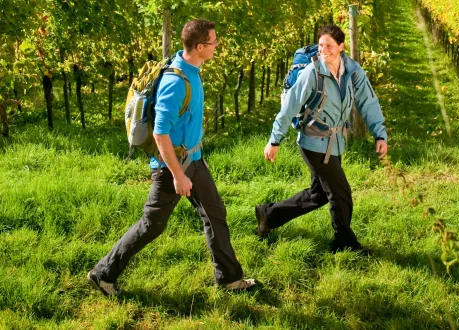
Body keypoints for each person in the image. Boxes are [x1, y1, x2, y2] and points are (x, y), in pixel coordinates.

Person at [88, 19, 258, 296]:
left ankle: (228, 278)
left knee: (214, 213)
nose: (217, 46)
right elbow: (160, 133)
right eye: (215, 42)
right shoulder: (175, 82)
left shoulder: (192, 68)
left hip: (194, 160)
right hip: (172, 167)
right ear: (201, 46)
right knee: (152, 224)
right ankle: (102, 273)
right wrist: (178, 175)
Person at [257, 24, 388, 253]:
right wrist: (274, 140)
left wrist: (380, 133)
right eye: (320, 45)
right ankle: (344, 243)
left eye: (328, 45)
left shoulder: (352, 70)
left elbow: (368, 101)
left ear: (341, 46)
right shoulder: (312, 73)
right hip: (313, 144)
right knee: (341, 193)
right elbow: (289, 107)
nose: (323, 50)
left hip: (335, 144)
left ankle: (268, 214)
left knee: (319, 194)